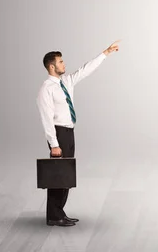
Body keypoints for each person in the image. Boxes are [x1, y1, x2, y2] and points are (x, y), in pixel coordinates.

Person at [36, 41, 120, 226]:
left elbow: (85, 69)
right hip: (58, 134)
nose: (64, 64)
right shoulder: (46, 89)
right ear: (51, 66)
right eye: (60, 62)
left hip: (69, 132)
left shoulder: (65, 82)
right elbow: (46, 118)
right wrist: (54, 144)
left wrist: (105, 53)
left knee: (66, 174)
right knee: (57, 175)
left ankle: (59, 212)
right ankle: (54, 216)